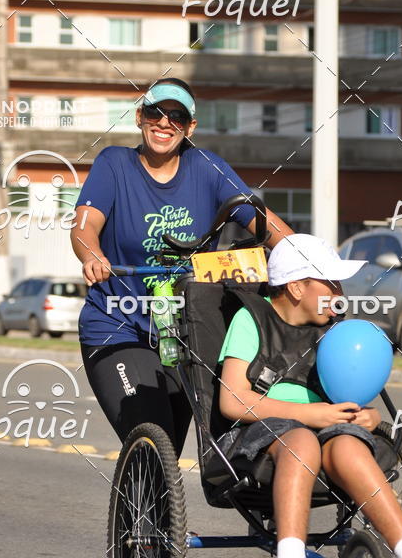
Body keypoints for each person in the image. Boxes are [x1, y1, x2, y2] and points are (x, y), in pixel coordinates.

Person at [218, 233, 402, 558]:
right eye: (329, 283)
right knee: (302, 440)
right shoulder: (250, 319)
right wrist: (310, 415)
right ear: (297, 286)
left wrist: (363, 415)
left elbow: (348, 386)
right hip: (261, 433)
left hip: (324, 427)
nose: (339, 292)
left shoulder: (333, 329)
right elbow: (231, 399)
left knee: (349, 445)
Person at [70, 78, 293, 453]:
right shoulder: (115, 163)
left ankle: (154, 511)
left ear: (190, 126)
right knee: (150, 431)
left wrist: (302, 258)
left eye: (177, 116)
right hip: (119, 326)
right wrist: (92, 254)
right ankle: (143, 503)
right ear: (140, 117)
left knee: (169, 447)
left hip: (187, 331)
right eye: (156, 112)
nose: (164, 122)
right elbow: (84, 226)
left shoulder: (207, 168)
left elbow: (265, 223)